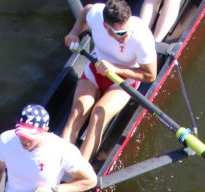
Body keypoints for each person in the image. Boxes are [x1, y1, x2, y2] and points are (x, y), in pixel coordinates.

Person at [61, 0, 157, 161]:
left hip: (124, 79)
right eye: (120, 33)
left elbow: (150, 75)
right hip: (96, 68)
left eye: (128, 30)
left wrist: (116, 68)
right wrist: (74, 32)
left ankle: (79, 174)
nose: (126, 36)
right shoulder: (97, 15)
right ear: (105, 26)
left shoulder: (141, 36)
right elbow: (86, 11)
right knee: (77, 112)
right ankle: (56, 167)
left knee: (98, 115)